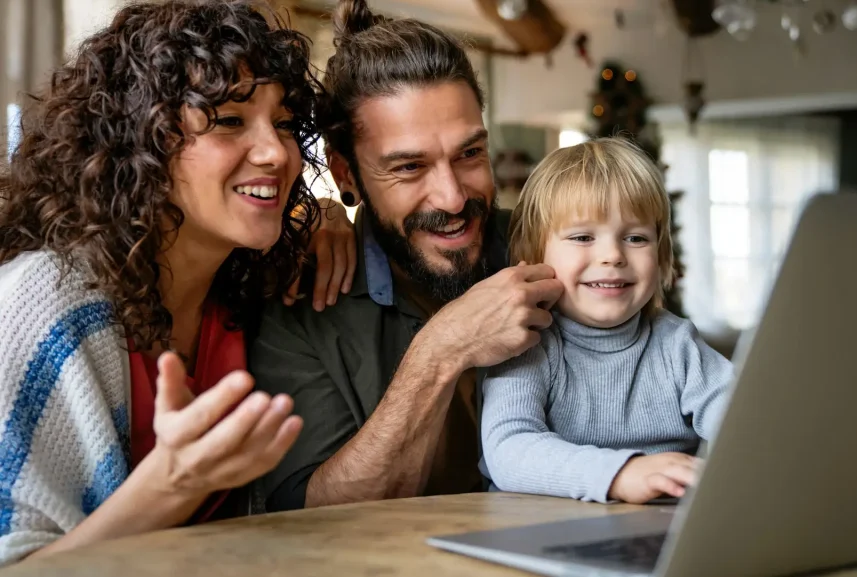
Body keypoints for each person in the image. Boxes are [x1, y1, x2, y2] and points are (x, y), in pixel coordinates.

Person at [0, 0, 356, 565]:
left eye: (284, 123)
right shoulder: (44, 301)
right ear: (141, 139)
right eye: (230, 120)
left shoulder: (249, 287)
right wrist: (170, 485)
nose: (275, 152)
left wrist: (331, 220)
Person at [249, 0, 564, 512]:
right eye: (410, 168)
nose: (454, 199)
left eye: (469, 154)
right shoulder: (296, 306)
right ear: (346, 173)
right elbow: (313, 519)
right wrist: (441, 350)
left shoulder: (555, 251)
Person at [480, 137, 734, 505]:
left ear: (661, 257)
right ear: (533, 255)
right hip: (538, 531)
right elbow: (509, 450)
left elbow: (747, 425)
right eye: (583, 237)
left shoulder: (678, 345)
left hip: (658, 534)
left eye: (635, 237)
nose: (613, 255)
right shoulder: (528, 345)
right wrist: (621, 474)